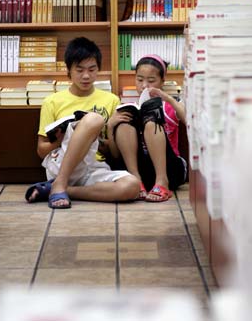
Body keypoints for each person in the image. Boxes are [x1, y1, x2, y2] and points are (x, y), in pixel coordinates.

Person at [25, 37, 140, 209]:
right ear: (68, 71)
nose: (86, 76)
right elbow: (41, 151)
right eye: (79, 70)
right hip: (62, 163)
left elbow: (114, 154)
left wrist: (99, 133)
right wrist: (61, 139)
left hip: (93, 167)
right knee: (94, 118)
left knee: (132, 186)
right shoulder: (52, 101)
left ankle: (61, 189)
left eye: (92, 69)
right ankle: (61, 181)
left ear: (98, 70)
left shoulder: (111, 100)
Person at [107, 54, 187, 203]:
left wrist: (167, 98)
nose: (144, 86)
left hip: (170, 169)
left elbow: (190, 123)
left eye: (151, 81)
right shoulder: (129, 107)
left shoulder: (171, 105)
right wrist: (110, 127)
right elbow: (116, 155)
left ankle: (162, 182)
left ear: (162, 80)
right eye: (139, 80)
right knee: (124, 123)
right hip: (140, 169)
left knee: (151, 120)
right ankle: (136, 180)